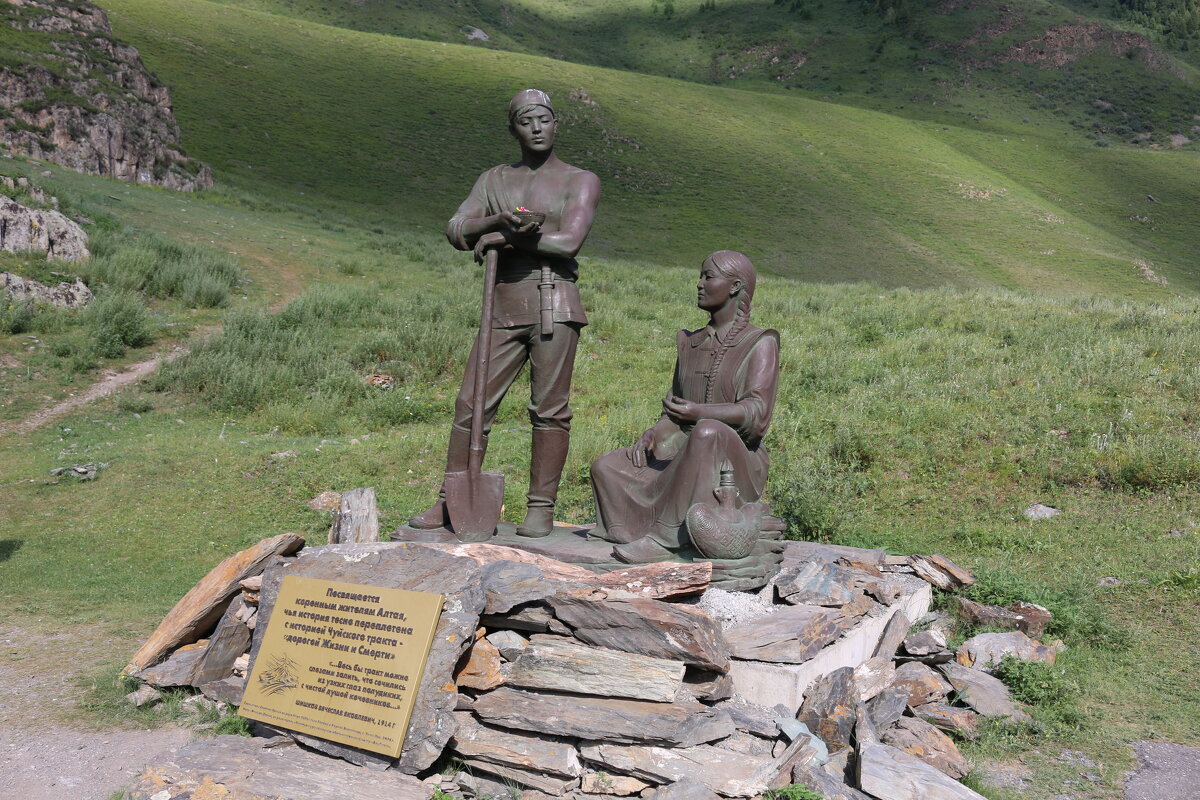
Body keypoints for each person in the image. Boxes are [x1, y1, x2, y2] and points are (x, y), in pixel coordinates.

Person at [409, 89, 601, 538]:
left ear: (556, 124)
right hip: (502, 304)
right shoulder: (493, 179)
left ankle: (540, 507)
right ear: (513, 128)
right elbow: (457, 228)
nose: (536, 128)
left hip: (554, 303)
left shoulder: (580, 180)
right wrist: (495, 223)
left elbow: (569, 242)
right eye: (526, 121)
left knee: (550, 410)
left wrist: (508, 239)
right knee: (470, 403)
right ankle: (450, 500)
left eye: (544, 119)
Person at [589, 250, 780, 563]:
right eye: (701, 275)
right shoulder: (690, 342)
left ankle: (665, 538)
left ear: (734, 287)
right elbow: (673, 410)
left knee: (706, 432)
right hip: (682, 444)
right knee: (607, 466)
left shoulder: (760, 342)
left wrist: (699, 414)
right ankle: (627, 531)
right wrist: (656, 431)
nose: (699, 284)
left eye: (709, 276)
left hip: (734, 456)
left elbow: (756, 414)